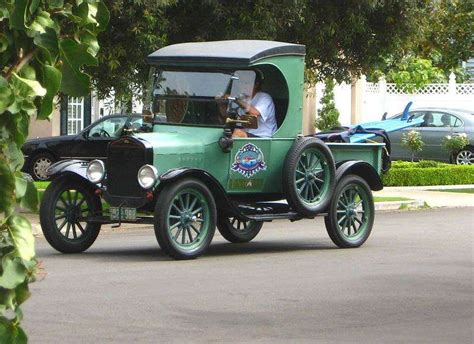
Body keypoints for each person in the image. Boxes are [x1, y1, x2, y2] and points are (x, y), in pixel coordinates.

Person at [231, 70, 277, 138]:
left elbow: (255, 113)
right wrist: (221, 104)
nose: (243, 86)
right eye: (241, 83)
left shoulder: (265, 98)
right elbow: (228, 117)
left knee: (238, 133)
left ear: (256, 84)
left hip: (263, 137)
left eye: (246, 83)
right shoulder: (242, 98)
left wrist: (236, 100)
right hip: (246, 135)